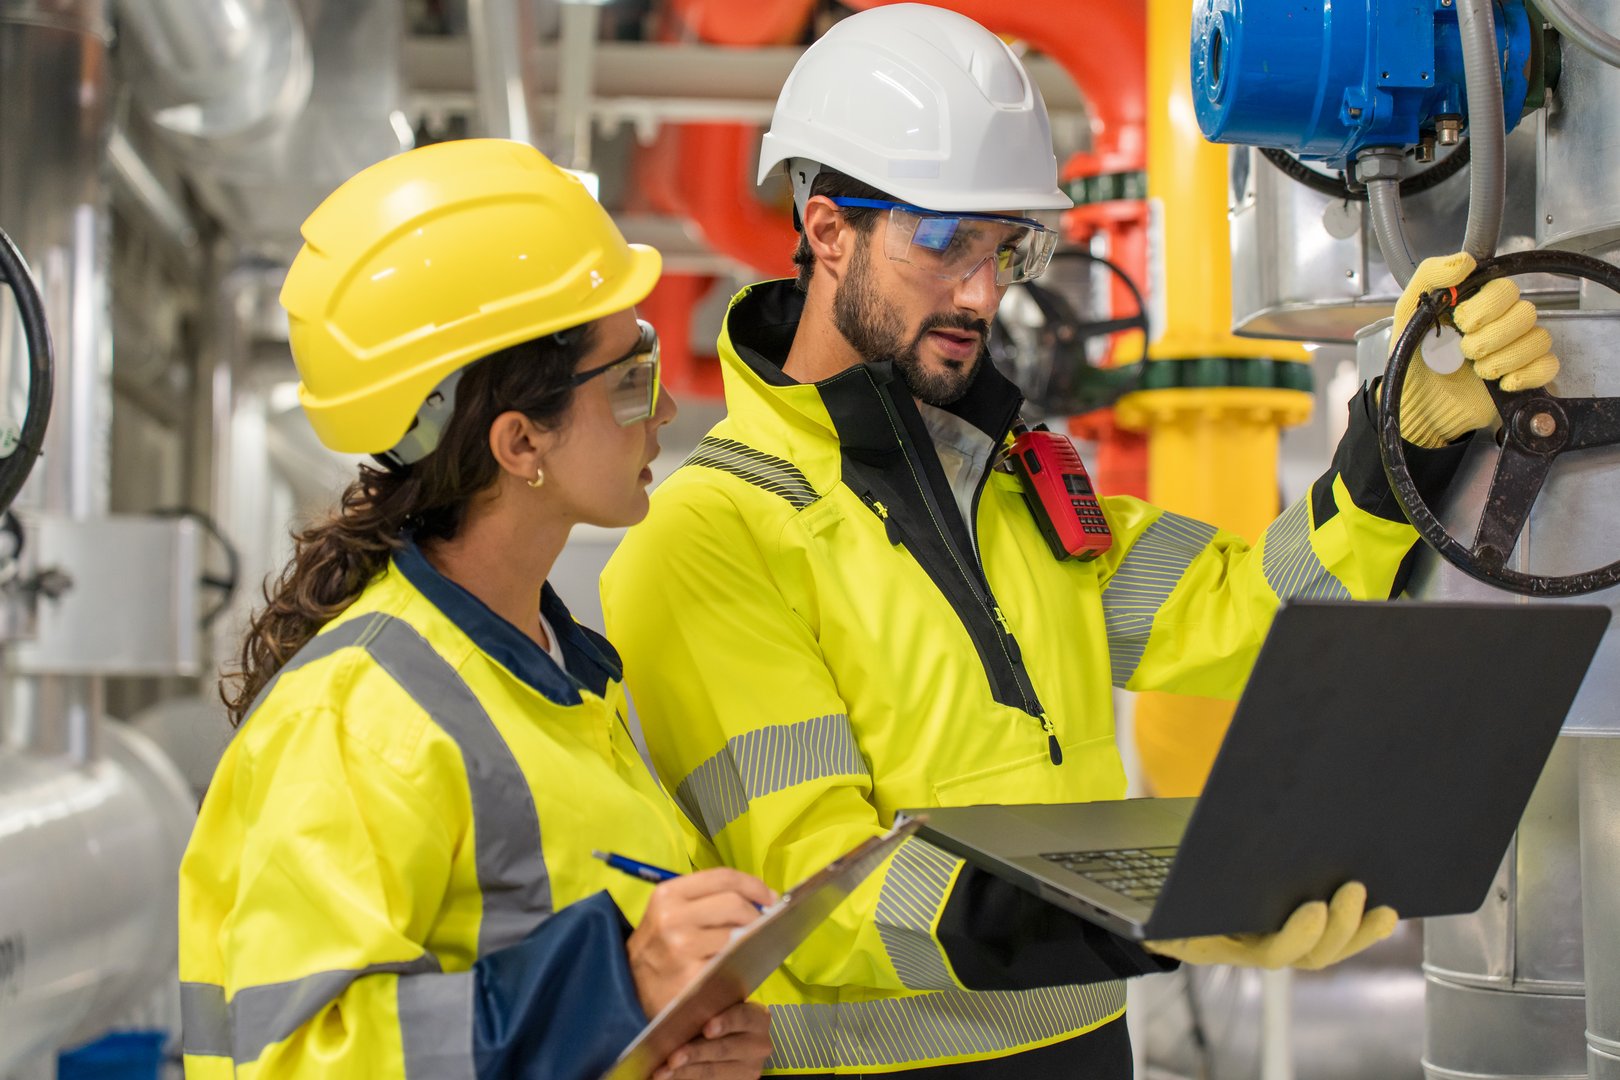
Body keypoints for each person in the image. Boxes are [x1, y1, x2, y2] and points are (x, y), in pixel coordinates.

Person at [598, 4, 1561, 1077]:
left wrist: (1400, 439)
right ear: (828, 230)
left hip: (1095, 1051)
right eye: (940, 241)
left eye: (1007, 245)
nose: (981, 291)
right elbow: (825, 890)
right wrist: (1141, 918)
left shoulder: (1015, 484)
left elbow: (1242, 613)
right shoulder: (706, 537)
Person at [177, 139, 777, 1080]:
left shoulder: (561, 679)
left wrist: (677, 1035)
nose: (661, 411)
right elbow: (295, 1061)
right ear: (517, 439)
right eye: (631, 378)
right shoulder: (363, 717)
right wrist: (615, 989)